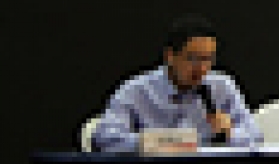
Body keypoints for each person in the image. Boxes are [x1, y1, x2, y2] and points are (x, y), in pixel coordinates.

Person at [92, 14, 262, 152]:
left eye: (208, 59)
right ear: (170, 56)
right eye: (193, 59)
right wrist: (161, 142)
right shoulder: (137, 90)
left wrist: (230, 133)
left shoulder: (222, 86)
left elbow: (255, 135)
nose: (202, 69)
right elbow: (105, 138)